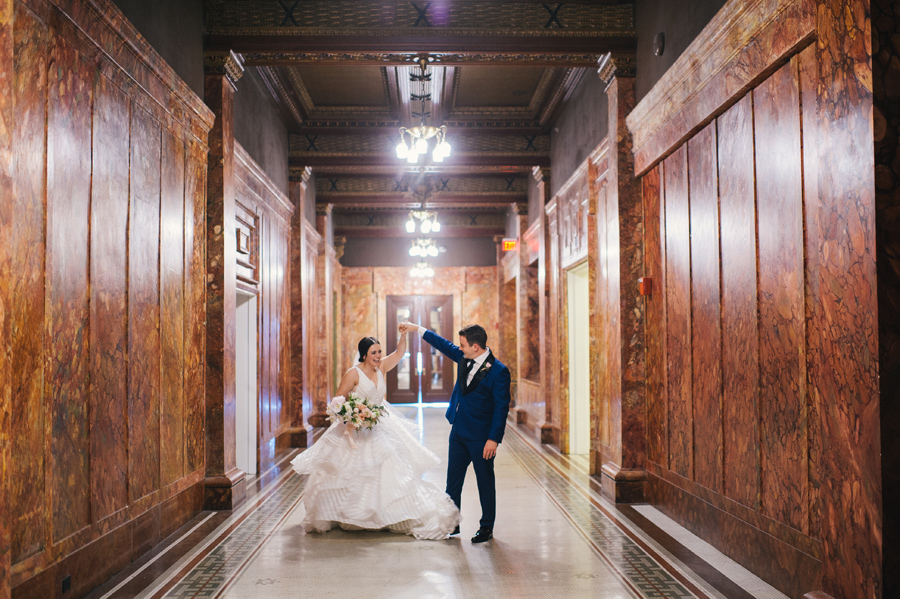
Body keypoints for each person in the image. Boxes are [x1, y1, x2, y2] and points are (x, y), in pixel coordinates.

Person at [290, 330, 459, 540]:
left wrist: (404, 337)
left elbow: (399, 354)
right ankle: (351, 514)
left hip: (380, 425)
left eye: (379, 351)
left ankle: (385, 513)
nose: (378, 356)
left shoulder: (382, 367)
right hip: (356, 428)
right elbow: (337, 401)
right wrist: (351, 414)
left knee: (389, 459)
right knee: (352, 470)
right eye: (374, 353)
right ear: (364, 355)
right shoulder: (353, 373)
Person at [399, 322, 511, 544]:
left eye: (463, 345)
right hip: (459, 431)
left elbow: (501, 407)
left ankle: (486, 527)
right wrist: (417, 329)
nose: (459, 348)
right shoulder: (464, 357)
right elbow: (443, 345)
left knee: (485, 482)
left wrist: (493, 439)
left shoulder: (499, 371)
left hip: (481, 437)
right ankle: (452, 523)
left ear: (476, 347)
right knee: (453, 482)